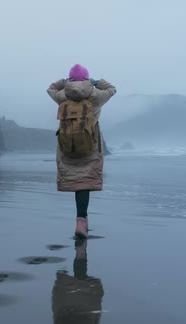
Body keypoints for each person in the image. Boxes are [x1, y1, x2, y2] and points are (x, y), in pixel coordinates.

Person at [47, 64, 116, 239]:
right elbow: (112, 89)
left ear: (70, 79)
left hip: (66, 147)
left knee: (75, 180)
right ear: (86, 78)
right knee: (84, 183)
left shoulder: (63, 96)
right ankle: (81, 220)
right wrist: (96, 82)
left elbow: (50, 88)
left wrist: (63, 82)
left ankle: (81, 220)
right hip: (90, 146)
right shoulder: (95, 96)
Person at [51, 239, 104, 324]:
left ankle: (80, 250)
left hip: (76, 306)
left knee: (81, 282)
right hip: (68, 306)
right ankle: (81, 250)